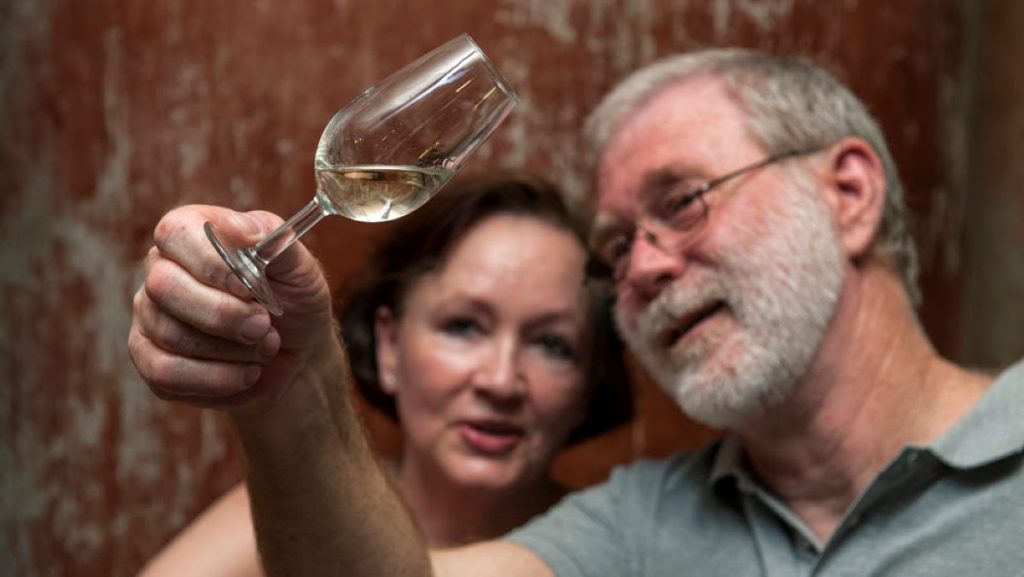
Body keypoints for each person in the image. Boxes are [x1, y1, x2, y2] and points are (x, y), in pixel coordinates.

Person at [129, 46, 1024, 577]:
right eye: (617, 246)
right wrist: (293, 382)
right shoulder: (643, 523)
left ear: (850, 193)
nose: (642, 269)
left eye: (682, 200)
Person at [133, 175, 630, 576]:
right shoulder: (292, 509)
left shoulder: (617, 543)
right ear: (390, 346)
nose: (500, 381)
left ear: (590, 382)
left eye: (551, 345)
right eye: (462, 327)